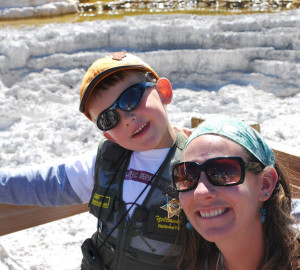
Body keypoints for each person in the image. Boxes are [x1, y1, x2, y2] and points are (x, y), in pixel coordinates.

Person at [0, 52, 187, 270]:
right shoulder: (106, 164)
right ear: (108, 136)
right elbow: (45, 184)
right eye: (109, 119)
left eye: (131, 98)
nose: (127, 119)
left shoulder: (199, 161)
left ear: (163, 91)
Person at [172, 114, 300, 270]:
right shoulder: (196, 263)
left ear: (265, 184)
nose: (200, 191)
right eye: (188, 176)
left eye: (223, 172)